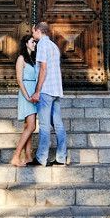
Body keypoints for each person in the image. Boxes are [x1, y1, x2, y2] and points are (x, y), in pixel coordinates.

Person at [29, 21, 68, 166]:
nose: (32, 35)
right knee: (58, 124)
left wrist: (37, 91)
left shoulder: (42, 46)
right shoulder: (54, 46)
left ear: (38, 31)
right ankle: (61, 158)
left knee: (44, 125)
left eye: (33, 32)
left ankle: (41, 158)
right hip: (56, 89)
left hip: (45, 90)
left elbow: (43, 69)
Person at [10, 35, 38, 167]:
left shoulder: (32, 59)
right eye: (33, 42)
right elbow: (19, 79)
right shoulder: (21, 59)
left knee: (28, 127)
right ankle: (16, 156)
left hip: (33, 93)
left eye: (35, 42)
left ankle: (27, 156)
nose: (35, 44)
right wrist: (27, 96)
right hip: (26, 94)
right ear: (26, 43)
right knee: (32, 126)